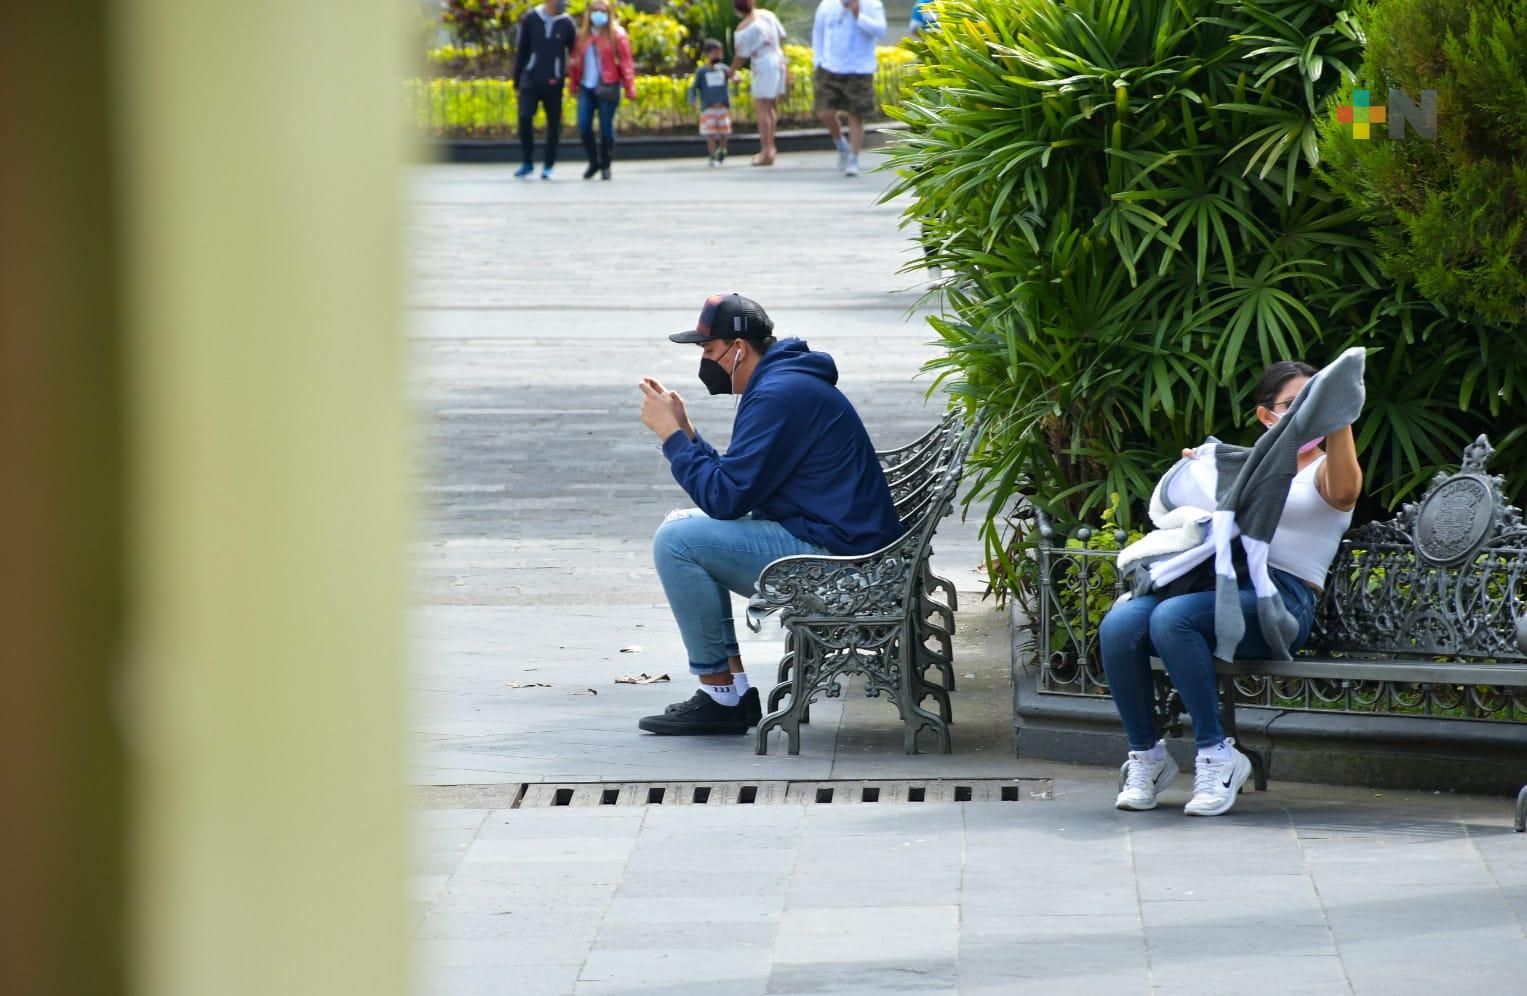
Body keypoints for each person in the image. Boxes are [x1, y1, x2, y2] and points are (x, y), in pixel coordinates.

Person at [1100, 360, 1363, 817]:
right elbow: (1190, 513)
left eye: (1310, 402)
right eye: (1291, 404)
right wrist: (1200, 471)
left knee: (1172, 618)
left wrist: (1336, 415)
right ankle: (1147, 756)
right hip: (1220, 584)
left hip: (1282, 602)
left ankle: (1217, 754)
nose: (1303, 412)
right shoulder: (1248, 466)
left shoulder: (1324, 469)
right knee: (1120, 624)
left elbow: (1343, 493)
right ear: (1267, 416)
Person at [635, 293, 904, 735]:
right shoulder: (783, 383)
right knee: (683, 528)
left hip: (840, 563)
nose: (705, 362)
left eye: (708, 349)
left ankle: (724, 697)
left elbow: (725, 498)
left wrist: (671, 439)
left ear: (738, 347)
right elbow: (740, 485)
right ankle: (729, 693)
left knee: (676, 542)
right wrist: (688, 433)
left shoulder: (779, 394)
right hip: (843, 543)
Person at [812, 0, 886, 177]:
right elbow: (818, 33)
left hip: (859, 69)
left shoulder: (871, 5)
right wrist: (818, 61)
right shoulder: (826, 5)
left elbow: (880, 30)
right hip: (830, 67)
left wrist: (859, 16)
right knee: (824, 112)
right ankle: (841, 144)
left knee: (855, 115)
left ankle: (853, 157)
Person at [568, 0, 636, 181]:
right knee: (583, 125)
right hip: (586, 86)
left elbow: (626, 62)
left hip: (608, 84)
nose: (599, 14)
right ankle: (593, 161)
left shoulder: (617, 35)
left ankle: (606, 164)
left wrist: (629, 86)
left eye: (602, 11)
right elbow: (574, 62)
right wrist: (573, 84)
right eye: (595, 10)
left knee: (606, 127)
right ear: (589, 14)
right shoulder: (582, 36)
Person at [513, 0, 578, 180]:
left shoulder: (567, 23)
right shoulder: (530, 19)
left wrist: (573, 80)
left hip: (553, 81)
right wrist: (516, 80)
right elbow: (522, 51)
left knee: (554, 123)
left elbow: (575, 52)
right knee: (525, 117)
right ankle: (527, 161)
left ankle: (549, 164)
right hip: (531, 79)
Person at [731, 0, 789, 166]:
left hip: (763, 63)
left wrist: (732, 71)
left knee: (762, 108)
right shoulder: (767, 15)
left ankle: (766, 151)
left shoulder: (743, 28)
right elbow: (782, 36)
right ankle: (770, 149)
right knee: (770, 106)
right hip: (777, 60)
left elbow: (741, 55)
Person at [687, 38, 733, 167]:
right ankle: (713, 154)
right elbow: (694, 87)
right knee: (710, 133)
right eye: (714, 53)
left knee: (724, 132)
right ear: (707, 54)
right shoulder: (702, 72)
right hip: (709, 107)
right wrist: (692, 99)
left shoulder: (723, 69)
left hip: (722, 106)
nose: (717, 56)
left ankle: (722, 150)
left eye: (719, 53)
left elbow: (733, 77)